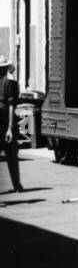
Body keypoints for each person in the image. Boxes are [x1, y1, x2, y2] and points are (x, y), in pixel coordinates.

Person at [0, 59, 24, 193]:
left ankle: (17, 185)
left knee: (11, 155)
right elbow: (11, 106)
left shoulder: (7, 82)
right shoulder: (9, 83)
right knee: (12, 156)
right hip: (5, 123)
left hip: (4, 123)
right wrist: (10, 127)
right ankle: (17, 184)